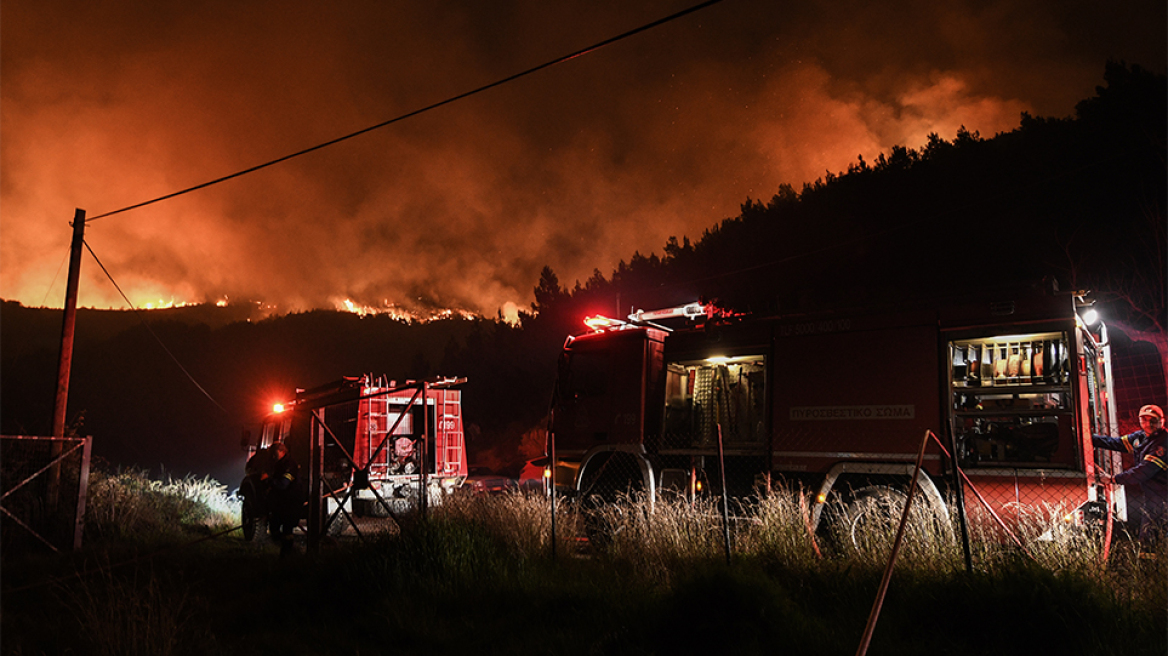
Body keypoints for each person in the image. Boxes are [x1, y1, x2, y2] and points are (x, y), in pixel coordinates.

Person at [1093, 404, 1167, 554]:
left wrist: (1113, 479)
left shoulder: (1163, 443)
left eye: (1153, 420)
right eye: (1145, 420)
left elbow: (1144, 471)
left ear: (1162, 421)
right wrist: (1089, 438)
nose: (1149, 424)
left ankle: (1151, 571)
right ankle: (1150, 570)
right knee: (1149, 538)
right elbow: (1116, 443)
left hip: (1163, 499)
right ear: (1140, 421)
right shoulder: (1140, 437)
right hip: (1152, 498)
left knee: (1151, 538)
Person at [267, 442, 303, 557]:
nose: (273, 456)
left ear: (282, 451)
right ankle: (287, 551)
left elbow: (283, 485)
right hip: (282, 503)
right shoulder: (279, 464)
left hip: (290, 503)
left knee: (287, 530)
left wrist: (268, 480)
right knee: (274, 527)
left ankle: (287, 554)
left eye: (275, 453)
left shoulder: (290, 465)